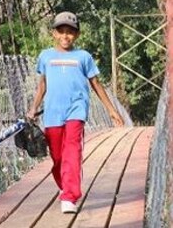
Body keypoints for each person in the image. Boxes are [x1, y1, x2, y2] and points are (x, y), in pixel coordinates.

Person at [26, 11, 124, 214]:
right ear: (54, 33)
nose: (65, 36)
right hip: (52, 113)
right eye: (61, 31)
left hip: (76, 110)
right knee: (57, 157)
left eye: (70, 32)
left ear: (77, 35)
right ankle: (65, 185)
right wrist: (33, 109)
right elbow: (42, 85)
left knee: (72, 151)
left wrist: (111, 110)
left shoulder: (83, 57)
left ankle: (70, 196)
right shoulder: (45, 56)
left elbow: (96, 84)